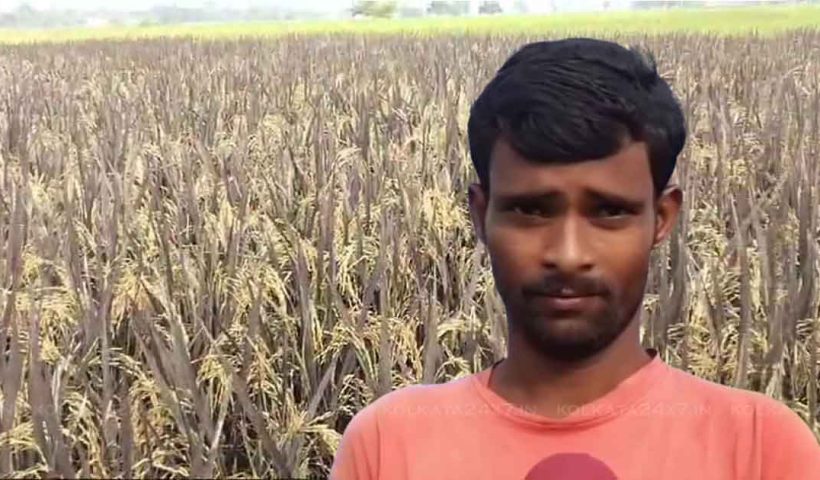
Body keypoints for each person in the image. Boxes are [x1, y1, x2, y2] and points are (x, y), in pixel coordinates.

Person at [329, 38, 820, 480]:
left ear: (662, 217)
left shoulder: (761, 448)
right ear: (480, 214)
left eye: (609, 212)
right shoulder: (389, 444)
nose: (567, 255)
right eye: (530, 210)